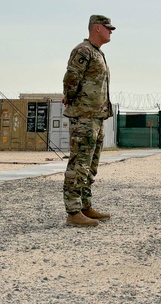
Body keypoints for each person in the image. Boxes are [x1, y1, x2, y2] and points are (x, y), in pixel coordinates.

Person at [62, 15, 115, 227]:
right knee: (79, 163)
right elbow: (71, 78)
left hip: (96, 117)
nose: (111, 31)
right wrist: (72, 100)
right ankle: (73, 211)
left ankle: (85, 206)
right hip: (84, 117)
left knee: (90, 165)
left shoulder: (97, 53)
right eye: (108, 28)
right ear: (96, 29)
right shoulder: (83, 51)